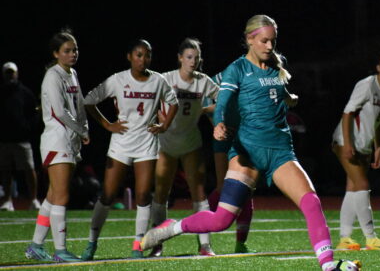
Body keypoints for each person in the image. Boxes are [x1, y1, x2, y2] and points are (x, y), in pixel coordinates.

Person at [141, 15, 358, 271]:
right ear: (249, 40)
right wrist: (220, 122)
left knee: (311, 202)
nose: (269, 46)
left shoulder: (277, 68)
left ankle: (328, 265)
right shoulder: (237, 69)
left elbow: (275, 93)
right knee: (221, 220)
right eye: (264, 41)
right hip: (247, 154)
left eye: (272, 42)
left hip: (280, 153)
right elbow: (222, 102)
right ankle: (173, 228)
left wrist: (289, 99)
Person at [80, 39, 178, 260]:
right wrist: (107, 124)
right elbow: (89, 101)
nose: (143, 59)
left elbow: (174, 103)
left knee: (143, 195)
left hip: (146, 144)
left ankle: (137, 245)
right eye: (138, 55)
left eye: (147, 55)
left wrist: (164, 125)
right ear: (129, 56)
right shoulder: (118, 79)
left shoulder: (158, 81)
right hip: (121, 143)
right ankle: (91, 243)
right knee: (107, 195)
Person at [150, 38, 219, 257]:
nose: (193, 61)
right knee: (161, 193)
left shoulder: (203, 81)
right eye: (189, 57)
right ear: (180, 57)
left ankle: (205, 246)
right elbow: (150, 101)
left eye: (196, 57)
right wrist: (159, 118)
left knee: (199, 193)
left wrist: (207, 110)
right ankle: (157, 244)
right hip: (166, 144)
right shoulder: (166, 79)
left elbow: (224, 100)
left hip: (191, 143)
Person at [25, 30, 89, 262]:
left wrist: (85, 128)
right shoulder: (52, 76)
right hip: (56, 140)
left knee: (53, 196)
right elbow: (59, 112)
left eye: (75, 50)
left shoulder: (72, 74)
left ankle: (35, 246)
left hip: (69, 140)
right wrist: (80, 129)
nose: (73, 54)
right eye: (67, 51)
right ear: (55, 53)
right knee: (61, 196)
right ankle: (60, 251)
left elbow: (79, 104)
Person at [332, 50, 380, 251]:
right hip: (345, 140)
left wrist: (378, 147)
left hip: (364, 144)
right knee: (362, 184)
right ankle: (371, 238)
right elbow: (347, 112)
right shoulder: (367, 84)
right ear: (378, 67)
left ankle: (345, 238)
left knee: (353, 188)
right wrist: (348, 144)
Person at [204, 70, 256, 254]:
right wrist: (218, 125)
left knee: (246, 191)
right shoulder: (231, 72)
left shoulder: (260, 74)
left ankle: (241, 244)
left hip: (243, 139)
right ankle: (202, 234)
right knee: (221, 188)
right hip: (224, 139)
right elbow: (206, 105)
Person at [0, 62, 41, 211]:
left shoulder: (25, 93)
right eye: (7, 73)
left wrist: (27, 128)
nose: (10, 75)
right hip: (4, 140)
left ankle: (34, 199)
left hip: (22, 139)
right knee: (6, 170)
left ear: (16, 74)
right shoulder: (1, 92)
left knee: (29, 169)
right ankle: (7, 200)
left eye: (12, 73)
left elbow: (34, 113)